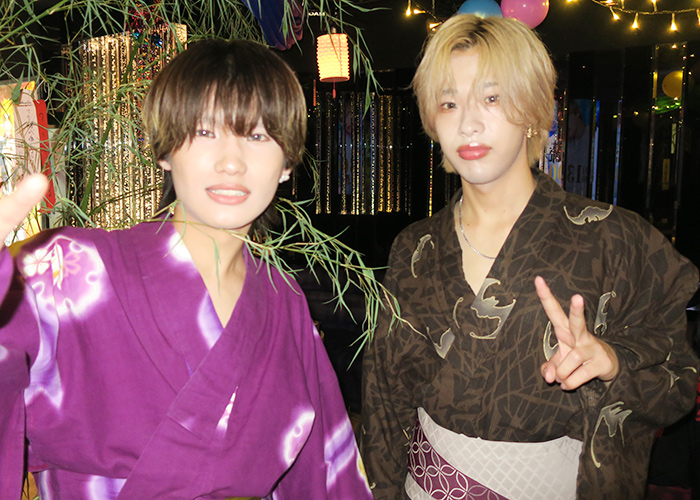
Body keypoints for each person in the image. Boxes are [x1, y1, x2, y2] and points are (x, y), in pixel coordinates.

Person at [0, 39, 373, 500]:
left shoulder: (284, 303)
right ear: (164, 151)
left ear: (287, 163)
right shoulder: (69, 270)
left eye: (257, 136)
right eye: (204, 131)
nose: (232, 162)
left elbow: (325, 472)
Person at [361, 14, 699, 500]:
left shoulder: (615, 240)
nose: (468, 122)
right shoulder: (415, 247)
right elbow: (384, 403)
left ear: (535, 110)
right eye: (449, 103)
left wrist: (612, 361)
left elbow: (678, 381)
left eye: (492, 98)